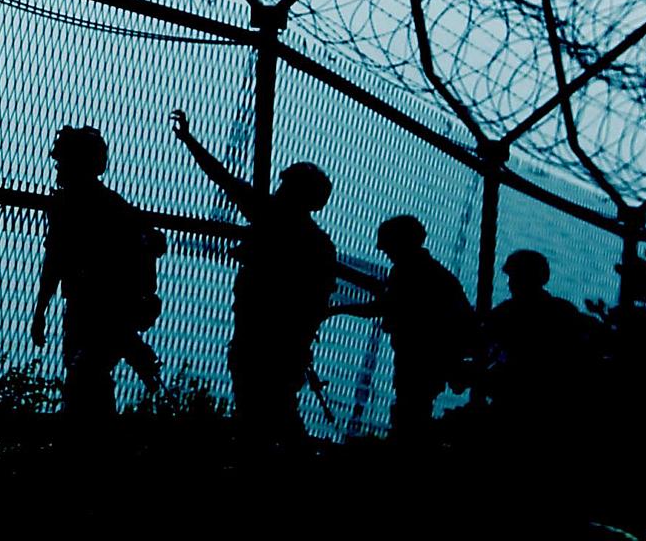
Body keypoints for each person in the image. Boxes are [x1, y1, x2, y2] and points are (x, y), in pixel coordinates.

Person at [171, 109, 336, 450]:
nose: (279, 190)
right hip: (286, 343)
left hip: (258, 336)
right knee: (278, 410)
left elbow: (223, 178)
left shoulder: (274, 218)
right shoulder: (319, 244)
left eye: (286, 186)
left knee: (259, 412)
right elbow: (318, 303)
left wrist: (189, 140)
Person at [30, 126, 165, 418]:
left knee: (84, 378)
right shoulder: (116, 207)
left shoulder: (71, 207)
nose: (57, 167)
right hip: (104, 310)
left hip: (92, 308)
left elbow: (55, 262)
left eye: (62, 161)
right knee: (90, 378)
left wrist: (40, 311)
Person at [331, 215, 475, 441]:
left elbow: (386, 306)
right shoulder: (429, 272)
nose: (381, 249)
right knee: (414, 408)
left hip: (421, 356)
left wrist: (336, 310)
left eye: (386, 243)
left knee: (411, 412)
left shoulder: (411, 272)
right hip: (429, 357)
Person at [482, 249, 599, 431]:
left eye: (515, 277)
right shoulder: (564, 311)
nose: (510, 283)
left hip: (516, 403)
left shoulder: (507, 313)